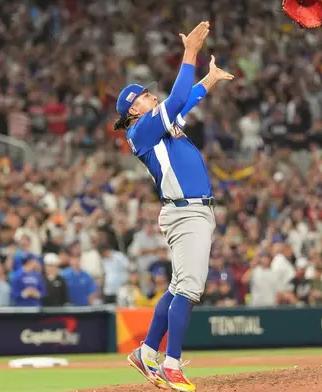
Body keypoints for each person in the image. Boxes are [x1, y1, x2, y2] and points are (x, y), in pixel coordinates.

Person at [119, 21, 234, 392]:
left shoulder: (159, 128)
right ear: (133, 109)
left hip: (190, 210)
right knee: (189, 289)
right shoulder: (142, 130)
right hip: (186, 211)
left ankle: (147, 352)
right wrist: (190, 54)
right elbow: (176, 98)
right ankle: (171, 365)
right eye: (145, 96)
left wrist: (210, 80)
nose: (152, 97)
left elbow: (184, 100)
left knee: (177, 287)